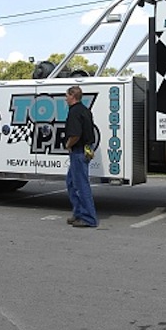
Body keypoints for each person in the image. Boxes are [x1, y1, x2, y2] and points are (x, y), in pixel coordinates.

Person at [64, 85, 98, 228]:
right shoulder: (85, 110)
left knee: (81, 185)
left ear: (72, 96)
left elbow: (76, 134)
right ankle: (78, 213)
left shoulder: (74, 112)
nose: (65, 98)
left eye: (66, 95)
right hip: (86, 149)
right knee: (71, 182)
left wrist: (68, 145)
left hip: (78, 151)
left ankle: (89, 218)